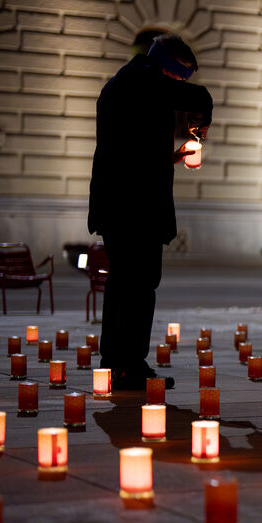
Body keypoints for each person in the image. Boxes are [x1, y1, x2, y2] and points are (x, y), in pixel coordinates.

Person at [88, 34, 213, 391]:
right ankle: (129, 366)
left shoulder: (128, 84)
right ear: (168, 66)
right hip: (134, 208)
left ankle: (116, 364)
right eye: (181, 75)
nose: (180, 83)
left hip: (122, 203)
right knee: (138, 287)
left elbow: (131, 149)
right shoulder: (140, 79)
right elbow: (199, 97)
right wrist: (200, 121)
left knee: (124, 284)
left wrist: (170, 157)